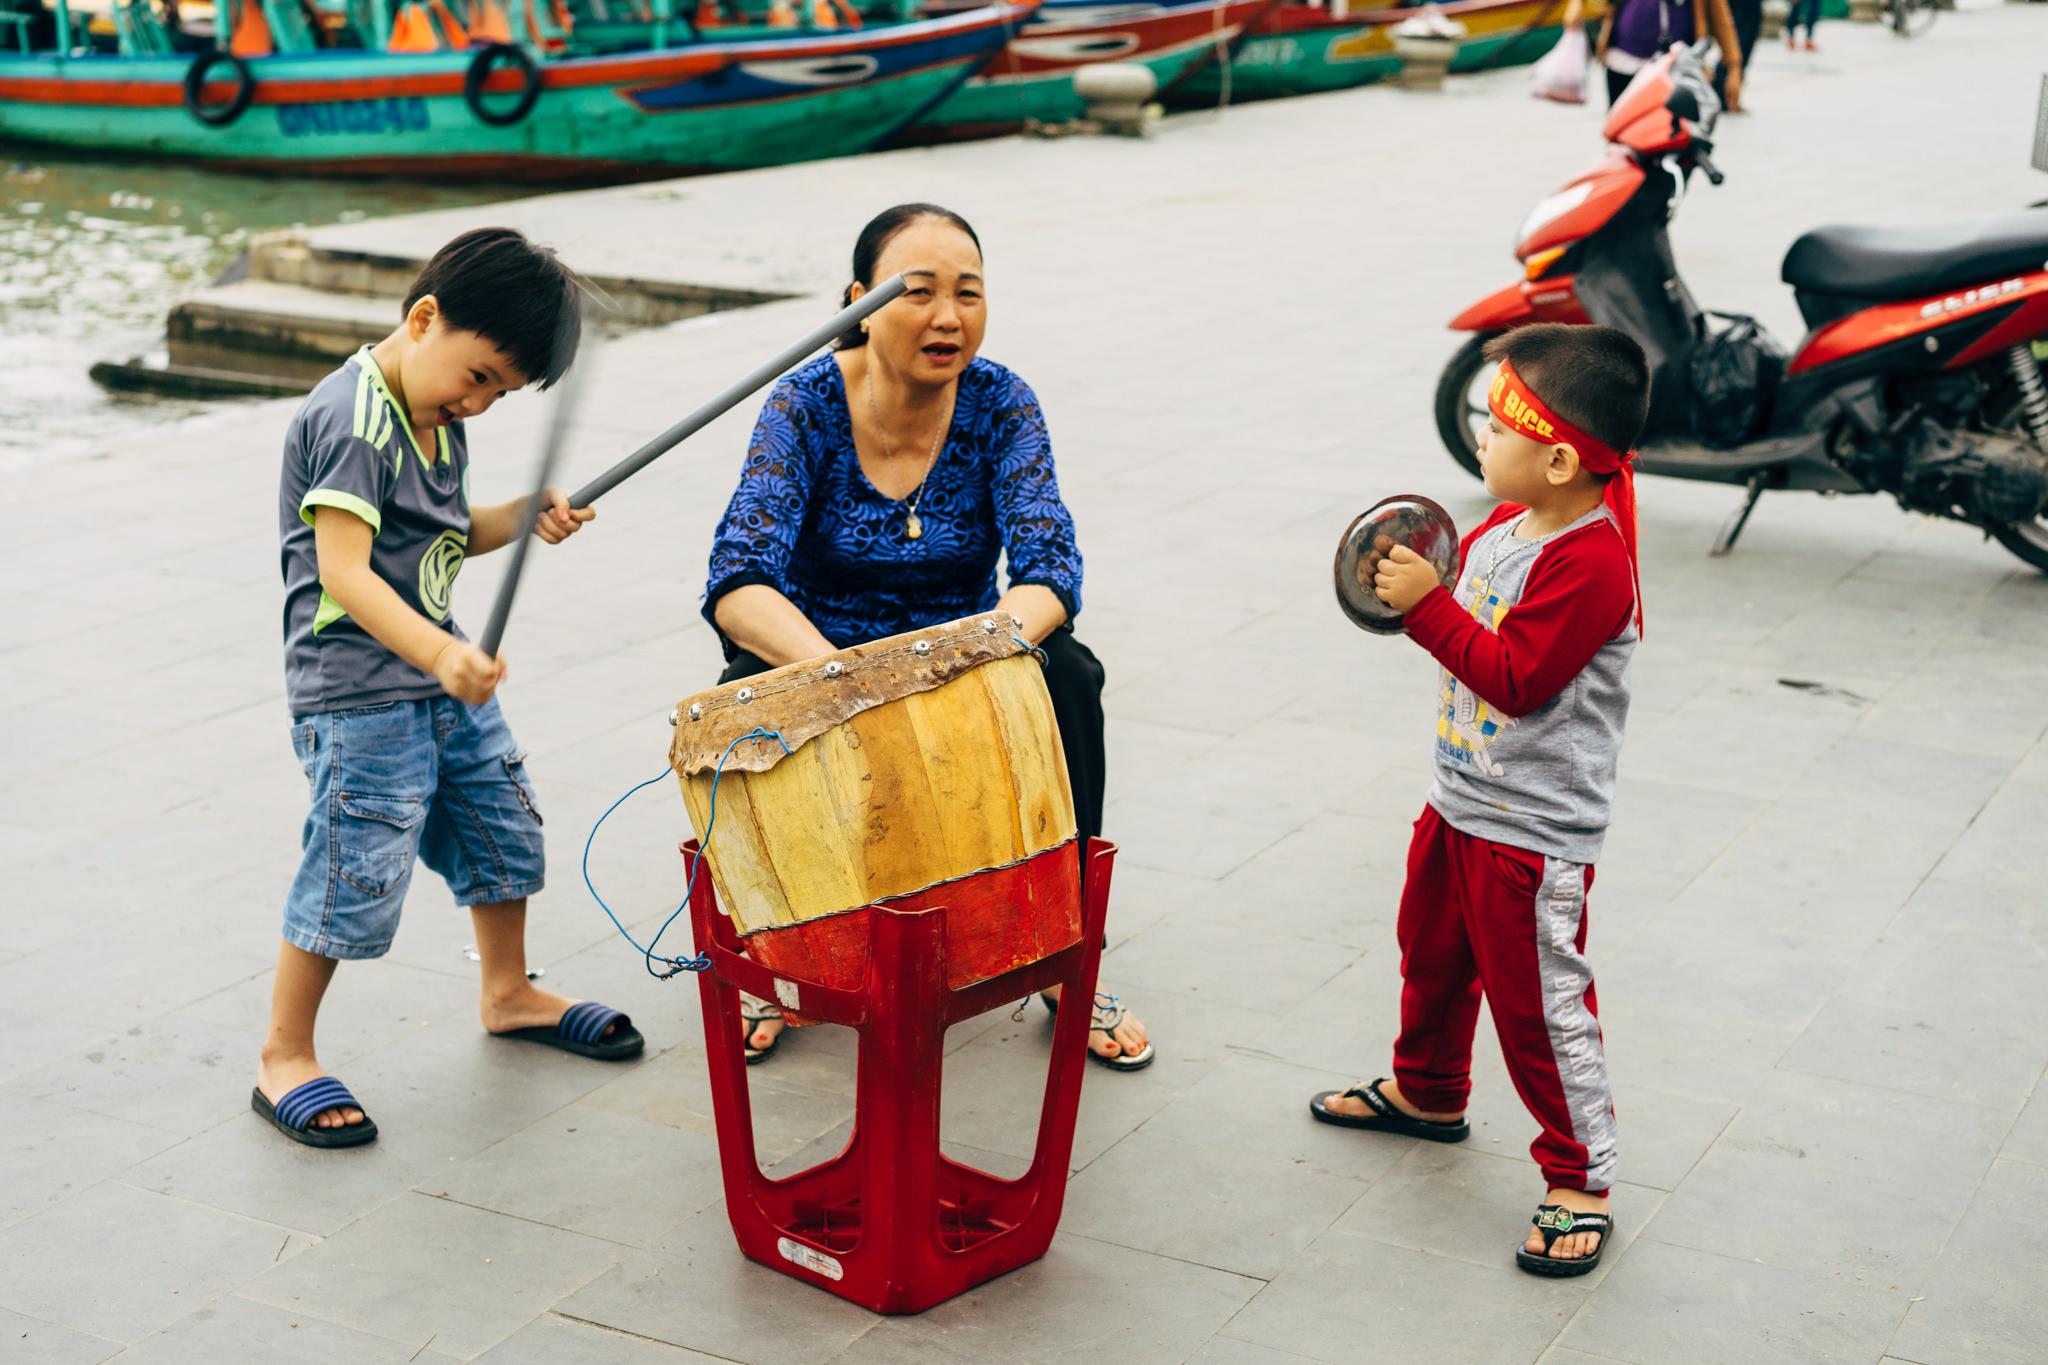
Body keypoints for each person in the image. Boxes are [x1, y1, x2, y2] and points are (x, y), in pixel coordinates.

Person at [701, 203, 1152, 1072]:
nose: (948, 317)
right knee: (740, 679)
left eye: (968, 294)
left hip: (959, 658)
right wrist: (843, 674)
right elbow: (738, 577)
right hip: (823, 657)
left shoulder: (1000, 401)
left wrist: (969, 657)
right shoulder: (802, 406)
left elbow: (1050, 564)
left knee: (1070, 674)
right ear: (856, 304)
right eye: (918, 292)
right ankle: (765, 951)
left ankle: (1064, 951)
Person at [254, 228, 644, 1149]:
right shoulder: (353, 418)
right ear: (423, 318)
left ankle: (507, 992)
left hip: (436, 671)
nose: (480, 400)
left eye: (500, 393)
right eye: (478, 376)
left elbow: (442, 532)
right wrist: (439, 655)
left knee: (498, 820)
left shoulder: (438, 416)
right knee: (356, 861)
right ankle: (283, 1055)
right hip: (360, 693)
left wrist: (524, 511)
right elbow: (345, 571)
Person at [1308, 323, 1650, 1278]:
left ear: (1557, 457)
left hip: (1531, 838)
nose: (1482, 439)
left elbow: (1515, 677)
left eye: (1499, 426)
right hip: (1459, 799)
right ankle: (1428, 1090)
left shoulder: (1592, 561)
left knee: (1538, 1006)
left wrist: (1423, 604)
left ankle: (1580, 1175)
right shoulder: (1505, 525)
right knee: (1432, 952)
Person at [1595, 0, 1742, 110]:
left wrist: (1733, 66)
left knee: (1669, 136)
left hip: (1676, 67)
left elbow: (1720, 16)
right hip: (1622, 61)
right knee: (1622, 136)